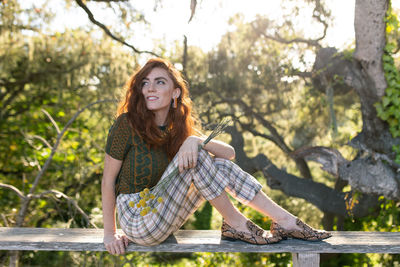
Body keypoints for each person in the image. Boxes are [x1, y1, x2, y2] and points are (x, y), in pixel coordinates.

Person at [102, 58, 331, 255]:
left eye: (159, 82)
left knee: (215, 162)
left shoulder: (178, 129)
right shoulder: (127, 124)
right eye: (145, 83)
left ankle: (284, 221)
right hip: (136, 217)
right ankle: (237, 224)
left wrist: (194, 140)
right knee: (200, 158)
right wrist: (110, 234)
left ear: (175, 92)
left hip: (163, 214)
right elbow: (108, 181)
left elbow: (229, 154)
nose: (150, 88)